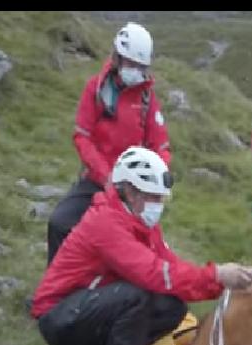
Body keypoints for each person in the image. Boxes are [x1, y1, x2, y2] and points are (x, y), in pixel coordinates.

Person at [31, 147, 252, 345]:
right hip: (59, 317)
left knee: (171, 307)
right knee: (136, 296)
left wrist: (220, 281)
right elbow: (154, 273)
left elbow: (170, 266)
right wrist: (216, 275)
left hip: (86, 309)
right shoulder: (106, 223)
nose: (158, 205)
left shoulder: (139, 223)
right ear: (130, 191)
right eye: (154, 197)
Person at [47, 22, 172, 264]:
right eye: (131, 64)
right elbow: (82, 137)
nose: (135, 71)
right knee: (60, 223)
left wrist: (149, 183)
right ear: (117, 58)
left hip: (133, 192)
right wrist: (106, 176)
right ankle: (55, 292)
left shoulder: (147, 98)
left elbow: (161, 149)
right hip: (96, 181)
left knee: (132, 249)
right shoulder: (95, 89)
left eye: (141, 66)